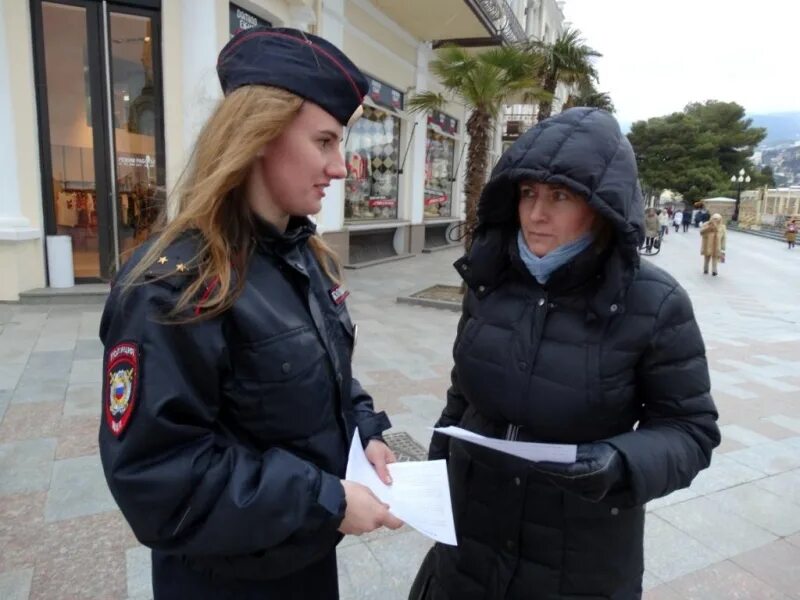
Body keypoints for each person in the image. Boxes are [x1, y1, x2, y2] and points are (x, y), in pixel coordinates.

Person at [98, 27, 403, 599]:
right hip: (225, 580)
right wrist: (328, 499)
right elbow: (157, 478)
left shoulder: (303, 255)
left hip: (305, 556)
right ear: (259, 135)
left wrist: (364, 431)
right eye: (324, 142)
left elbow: (328, 372)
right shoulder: (173, 284)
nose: (340, 168)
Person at [409, 108, 720, 599]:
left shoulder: (655, 302)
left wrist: (619, 461)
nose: (536, 214)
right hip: (470, 544)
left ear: (601, 205)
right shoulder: (491, 279)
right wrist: (433, 482)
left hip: (577, 557)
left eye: (560, 196)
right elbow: (460, 395)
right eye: (528, 193)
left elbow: (691, 430)